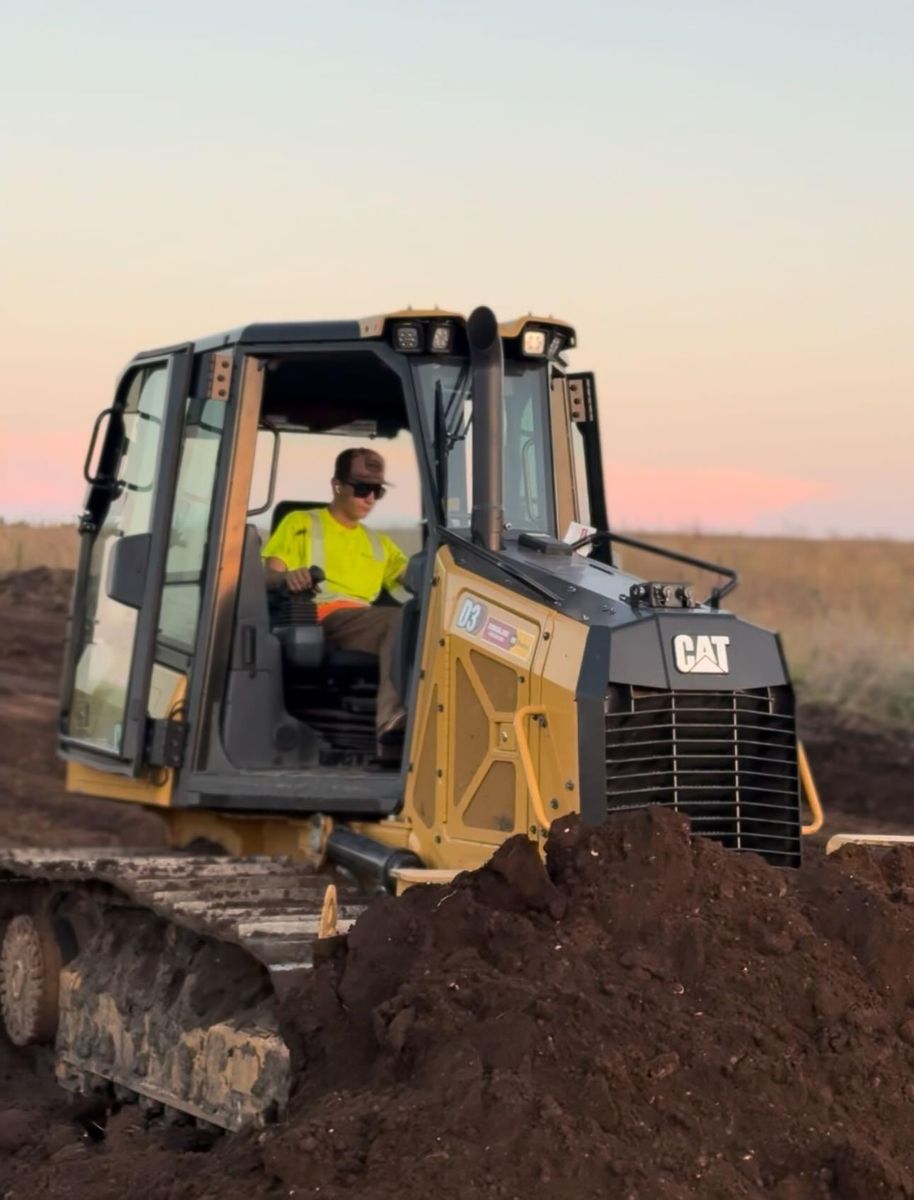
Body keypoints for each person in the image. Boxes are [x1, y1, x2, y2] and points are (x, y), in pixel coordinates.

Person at [261, 448, 409, 747]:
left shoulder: (380, 543)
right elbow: (267, 576)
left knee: (427, 621)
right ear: (337, 486)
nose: (369, 498)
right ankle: (393, 720)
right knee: (402, 617)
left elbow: (418, 576)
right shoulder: (300, 523)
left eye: (377, 491)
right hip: (322, 615)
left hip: (364, 622)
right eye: (362, 489)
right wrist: (289, 577)